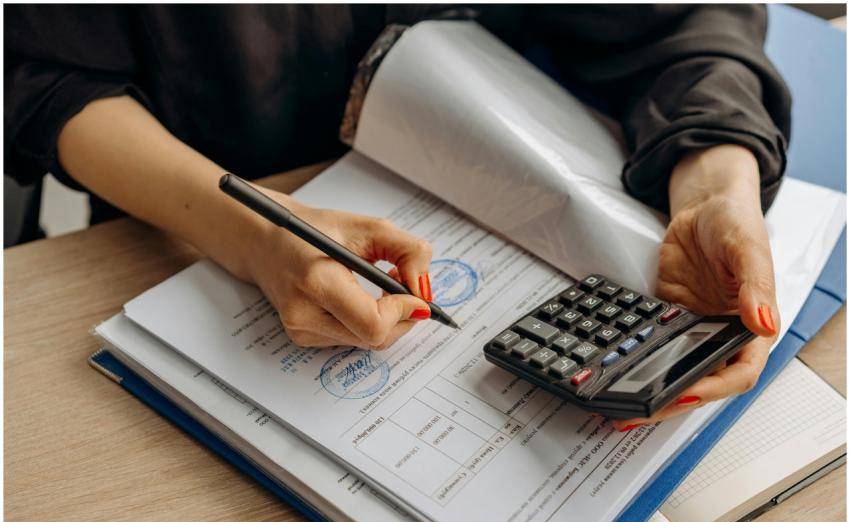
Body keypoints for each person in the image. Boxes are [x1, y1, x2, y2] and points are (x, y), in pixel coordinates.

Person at [5, 5, 789, 429]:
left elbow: (682, 18)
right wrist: (252, 231)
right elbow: (44, 76)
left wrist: (718, 174)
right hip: (185, 201)